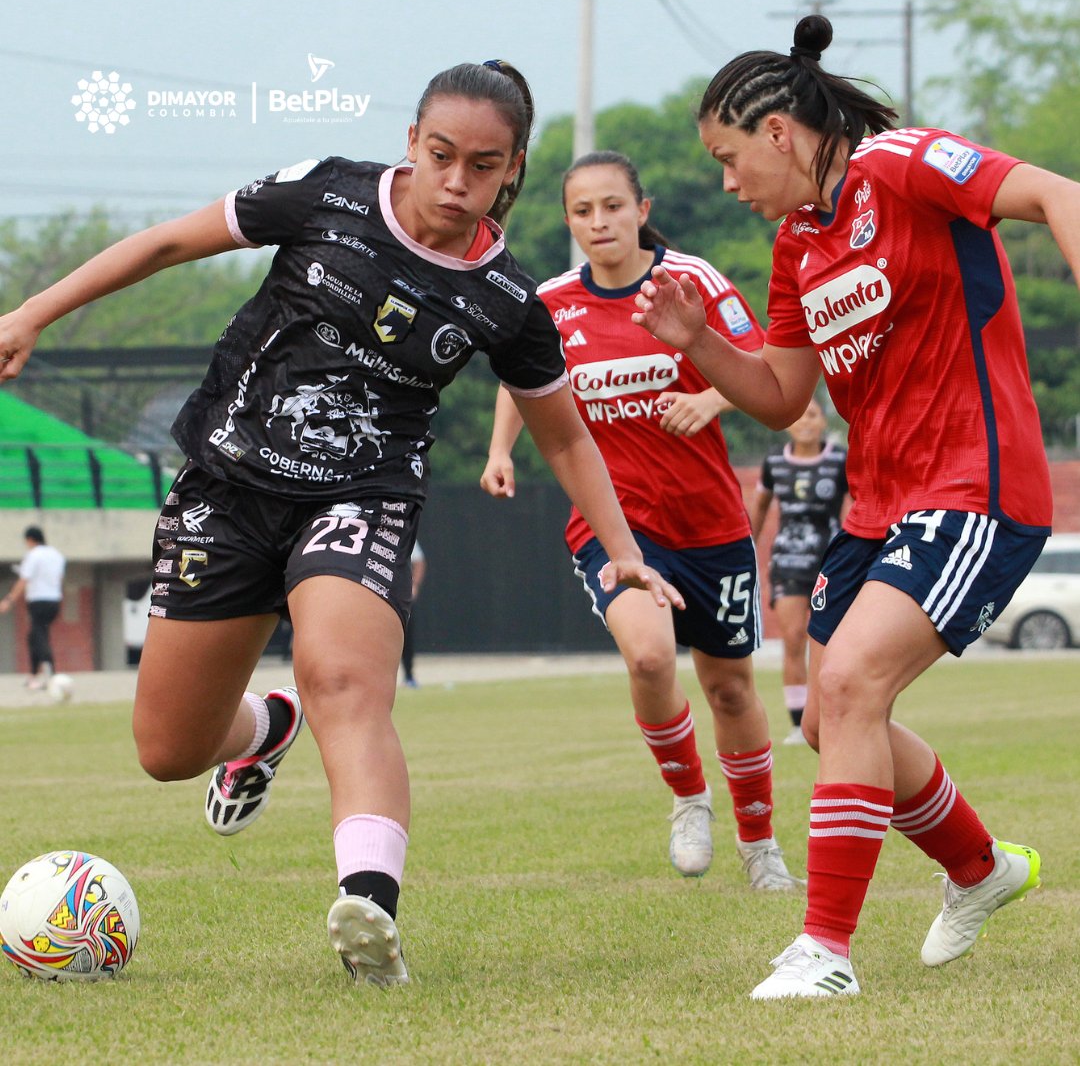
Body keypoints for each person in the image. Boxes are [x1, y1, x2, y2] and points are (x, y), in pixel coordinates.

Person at [0, 61, 683, 989]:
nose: (457, 181)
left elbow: (564, 438)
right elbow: (167, 243)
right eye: (441, 154)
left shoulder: (506, 301)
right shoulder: (325, 193)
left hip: (363, 495)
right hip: (226, 486)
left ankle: (370, 910)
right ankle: (263, 728)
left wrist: (626, 553)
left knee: (346, 682)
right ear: (411, 142)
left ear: (512, 170)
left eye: (483, 166)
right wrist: (32, 314)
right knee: (168, 750)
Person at [633, 13, 1067, 998]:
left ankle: (824, 951)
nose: (729, 183)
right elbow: (783, 394)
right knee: (832, 717)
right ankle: (979, 868)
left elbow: (1058, 194)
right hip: (877, 507)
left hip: (976, 486)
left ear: (779, 133)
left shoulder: (904, 163)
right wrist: (699, 343)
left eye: (730, 159)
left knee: (858, 681)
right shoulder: (798, 244)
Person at [481, 150, 804, 891]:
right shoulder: (552, 302)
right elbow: (523, 380)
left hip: (711, 524)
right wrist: (501, 450)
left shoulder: (694, 282)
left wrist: (712, 399)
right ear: (568, 222)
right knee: (652, 658)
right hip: (616, 526)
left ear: (642, 210)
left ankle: (760, 844)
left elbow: (766, 365)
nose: (599, 222)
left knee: (730, 690)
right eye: (583, 211)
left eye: (613, 206)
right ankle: (689, 798)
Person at [748, 398, 848, 745]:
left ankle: (831, 716)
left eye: (813, 415)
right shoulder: (775, 462)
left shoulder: (840, 460)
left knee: (831, 641)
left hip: (831, 562)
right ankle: (797, 723)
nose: (806, 422)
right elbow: (759, 509)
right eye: (800, 416)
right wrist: (747, 551)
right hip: (788, 561)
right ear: (789, 423)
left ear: (823, 422)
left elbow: (856, 505)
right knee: (793, 638)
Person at [0, 526, 66, 690]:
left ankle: (50, 671)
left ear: (30, 539)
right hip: (54, 600)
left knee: (38, 636)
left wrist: (9, 600)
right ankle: (33, 675)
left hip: (39, 601)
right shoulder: (57, 555)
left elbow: (24, 580)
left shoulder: (33, 555)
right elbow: (59, 578)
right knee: (35, 635)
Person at [400, 540, 426, 688]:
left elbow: (419, 561)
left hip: (401, 595)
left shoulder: (404, 533)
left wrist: (414, 585)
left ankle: (409, 676)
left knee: (407, 637)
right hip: (379, 594)